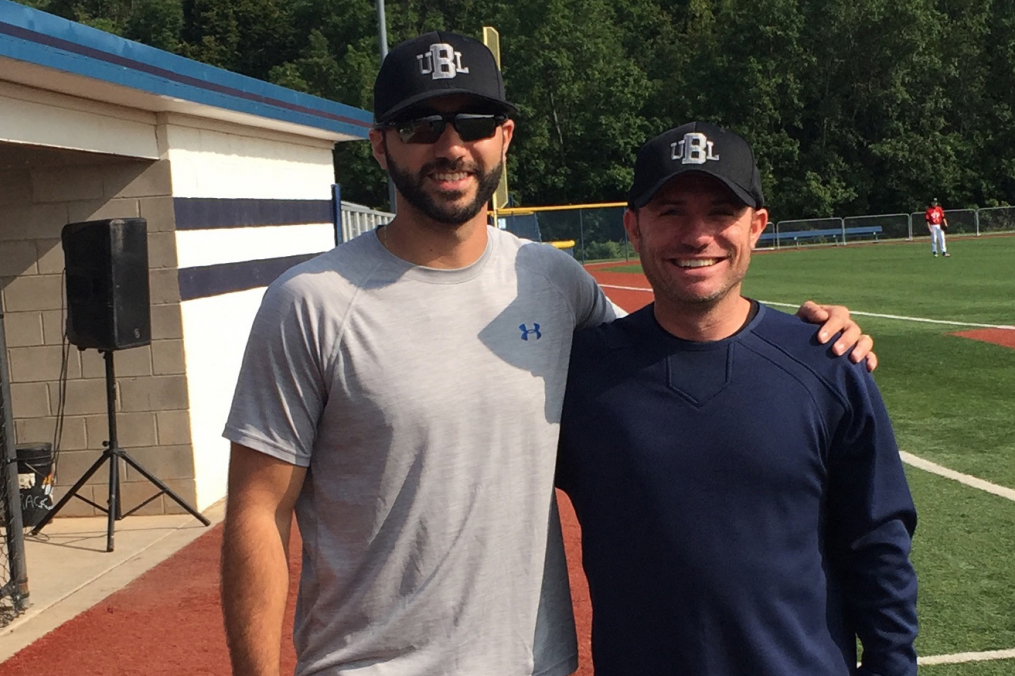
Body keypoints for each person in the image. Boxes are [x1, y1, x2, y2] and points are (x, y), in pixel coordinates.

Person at [219, 33, 876, 676]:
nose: (450, 146)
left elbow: (675, 344)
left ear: (503, 136)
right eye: (420, 125)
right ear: (379, 144)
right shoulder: (311, 302)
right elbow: (259, 509)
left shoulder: (551, 282)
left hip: (534, 663)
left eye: (473, 122)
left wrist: (805, 337)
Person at [556, 121, 918, 676]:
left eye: (721, 212)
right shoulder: (580, 377)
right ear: (634, 227)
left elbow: (878, 543)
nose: (697, 235)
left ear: (756, 227)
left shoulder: (827, 366)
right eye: (671, 211)